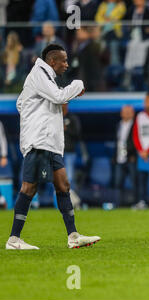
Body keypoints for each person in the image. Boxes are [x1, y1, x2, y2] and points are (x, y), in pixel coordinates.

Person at [5, 44, 101, 250]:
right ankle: (14, 239)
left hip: (49, 143)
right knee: (29, 188)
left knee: (63, 185)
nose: (66, 65)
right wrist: (78, 85)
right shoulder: (39, 73)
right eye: (63, 61)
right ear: (52, 61)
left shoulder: (43, 78)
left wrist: (33, 115)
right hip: (40, 141)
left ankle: (73, 235)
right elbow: (59, 97)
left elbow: (21, 103)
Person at [114, 104, 137, 207]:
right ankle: (119, 203)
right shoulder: (119, 124)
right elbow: (117, 141)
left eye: (129, 112)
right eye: (125, 112)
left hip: (130, 157)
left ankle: (135, 202)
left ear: (132, 113)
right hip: (120, 157)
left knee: (134, 182)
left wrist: (133, 154)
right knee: (118, 182)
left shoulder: (135, 125)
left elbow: (136, 141)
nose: (126, 114)